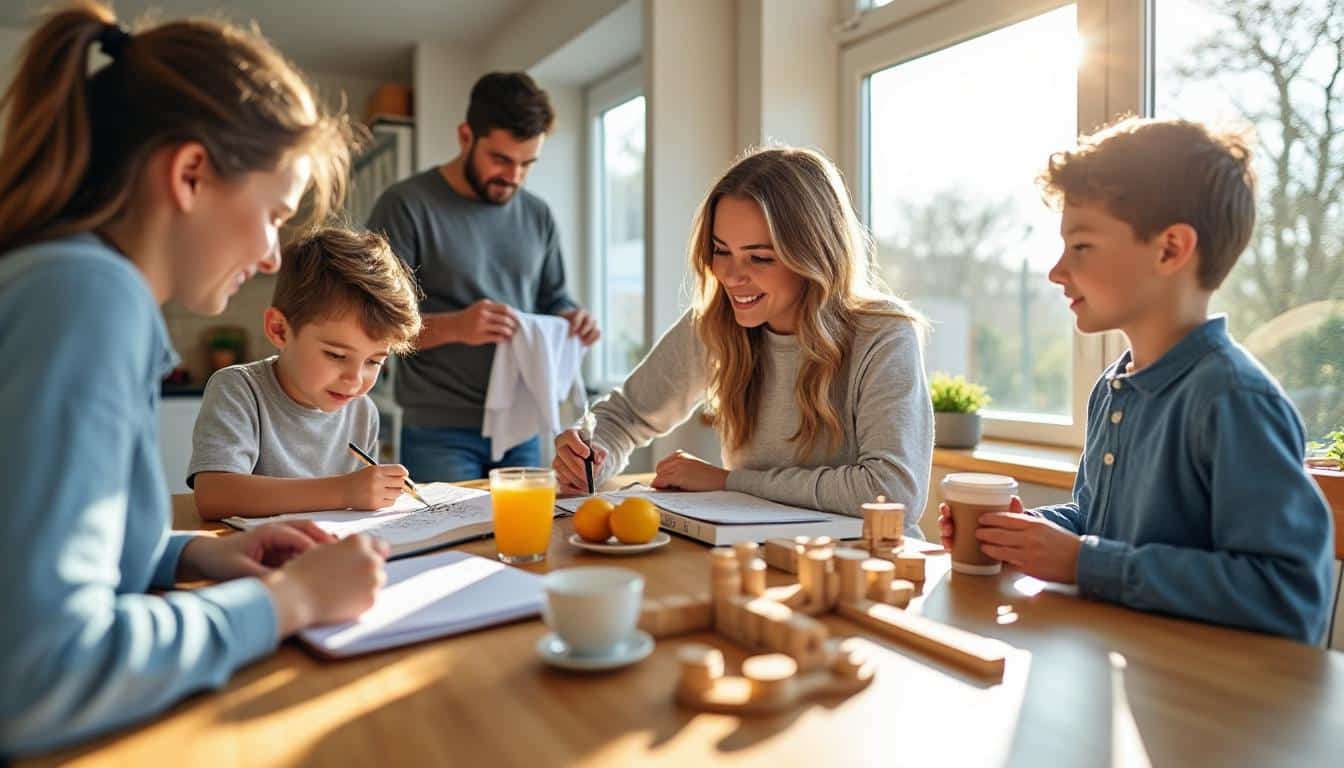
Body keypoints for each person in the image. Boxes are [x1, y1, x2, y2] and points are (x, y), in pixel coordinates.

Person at [0, 3, 387, 755]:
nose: (274, 256)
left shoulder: (71, 285)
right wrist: (286, 603)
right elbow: (39, 672)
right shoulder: (86, 299)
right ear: (190, 174)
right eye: (275, 214)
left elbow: (44, 550)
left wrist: (192, 555)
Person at [939, 117, 1333, 643]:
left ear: (1170, 249)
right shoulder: (1113, 387)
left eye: (1080, 246)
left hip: (1214, 704)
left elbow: (1288, 593)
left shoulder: (1233, 399)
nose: (1057, 271)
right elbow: (1096, 522)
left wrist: (1085, 563)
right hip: (1134, 673)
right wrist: (1019, 534)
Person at [553, 146, 934, 534]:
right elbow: (626, 416)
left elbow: (893, 493)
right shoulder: (716, 324)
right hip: (757, 561)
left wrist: (727, 482)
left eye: (759, 257)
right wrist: (591, 458)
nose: (731, 275)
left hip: (866, 571)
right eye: (721, 251)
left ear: (814, 257)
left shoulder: (884, 335)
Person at [367, 72, 599, 482]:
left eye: (527, 164)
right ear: (465, 136)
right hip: (439, 431)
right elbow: (374, 323)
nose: (513, 176)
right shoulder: (405, 206)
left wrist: (572, 317)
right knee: (446, 545)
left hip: (523, 423)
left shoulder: (538, 215)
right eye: (501, 159)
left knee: (529, 543)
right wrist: (457, 326)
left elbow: (554, 298)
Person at [190, 228, 422, 519]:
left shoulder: (363, 411)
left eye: (374, 362)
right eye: (336, 355)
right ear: (279, 330)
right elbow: (214, 495)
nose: (355, 380)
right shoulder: (239, 390)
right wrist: (344, 491)